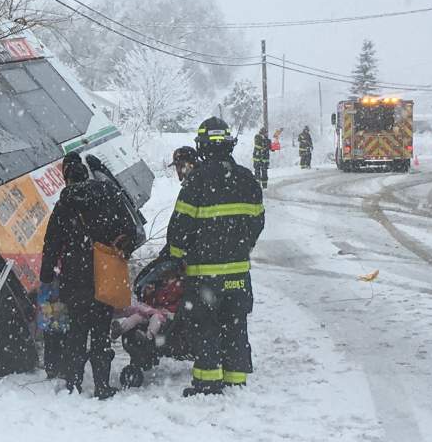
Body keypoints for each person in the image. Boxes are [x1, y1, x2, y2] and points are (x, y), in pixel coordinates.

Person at [167, 117, 265, 397]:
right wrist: (241, 246)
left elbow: (180, 227)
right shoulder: (247, 179)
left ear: (203, 146)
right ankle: (235, 379)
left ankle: (207, 382)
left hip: (204, 274)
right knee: (235, 323)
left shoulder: (197, 181)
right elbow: (257, 222)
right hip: (238, 273)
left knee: (204, 325)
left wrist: (176, 257)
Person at [40, 152, 142, 398]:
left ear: (67, 177)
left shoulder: (65, 203)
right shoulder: (110, 195)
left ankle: (73, 384)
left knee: (76, 332)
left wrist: (46, 275)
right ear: (86, 173)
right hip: (105, 272)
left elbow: (52, 242)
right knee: (100, 332)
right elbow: (131, 230)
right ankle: (102, 385)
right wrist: (117, 246)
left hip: (75, 275)